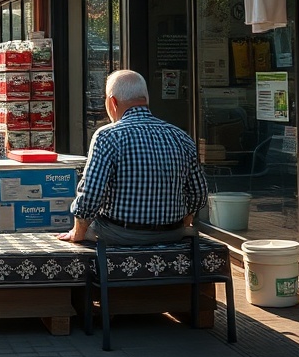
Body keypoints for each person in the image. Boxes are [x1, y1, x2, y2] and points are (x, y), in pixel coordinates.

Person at [57, 69, 208, 246]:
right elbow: (199, 194)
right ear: (146, 99)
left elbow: (91, 194)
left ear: (112, 102)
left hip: (120, 233)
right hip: (172, 233)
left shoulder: (107, 136)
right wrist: (183, 222)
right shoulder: (181, 136)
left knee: (84, 232)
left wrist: (78, 231)